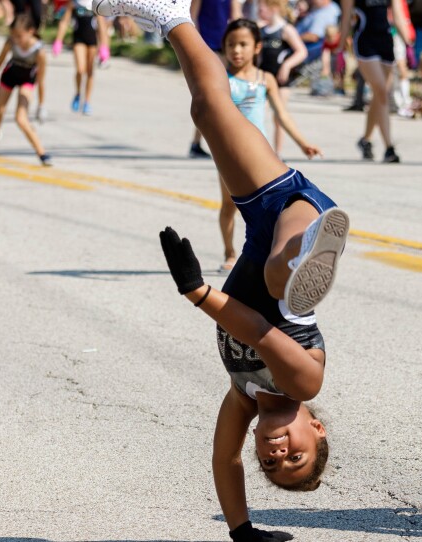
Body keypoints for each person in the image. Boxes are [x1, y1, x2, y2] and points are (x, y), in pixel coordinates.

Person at [92, 0, 349, 538]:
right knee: (281, 288)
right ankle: (306, 255)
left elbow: (223, 459)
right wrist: (196, 292)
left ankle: (169, 14)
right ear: (317, 429)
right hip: (298, 217)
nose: (278, 455)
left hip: (265, 211)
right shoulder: (304, 380)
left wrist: (242, 532)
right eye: (297, 458)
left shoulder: (243, 397)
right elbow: (254, 329)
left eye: (271, 466)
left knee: (208, 110)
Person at [218, 18, 322, 272]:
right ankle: (230, 253)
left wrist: (302, 143)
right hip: (229, 154)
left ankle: (268, 254)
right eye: (231, 44)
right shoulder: (221, 78)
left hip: (261, 153)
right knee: (230, 205)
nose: (236, 50)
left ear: (257, 47)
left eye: (243, 44)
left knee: (270, 207)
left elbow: (282, 115)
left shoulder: (266, 79)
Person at [338, 0, 411, 163]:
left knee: (380, 96)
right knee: (382, 92)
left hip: (385, 40)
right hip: (365, 40)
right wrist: (340, 45)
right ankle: (389, 148)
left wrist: (408, 43)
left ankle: (365, 140)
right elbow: (346, 18)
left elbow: (398, 15)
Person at [0, 14, 51, 165]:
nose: (16, 39)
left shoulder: (39, 51)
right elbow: (1, 58)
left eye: (20, 36)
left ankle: (41, 152)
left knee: (21, 118)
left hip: (27, 79)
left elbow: (41, 79)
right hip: (10, 75)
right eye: (14, 35)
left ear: (31, 31)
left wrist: (41, 105)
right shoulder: (11, 41)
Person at [188, 0, 242, 158]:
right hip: (208, 44)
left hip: (226, 45)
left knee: (227, 94)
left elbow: (236, 15)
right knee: (210, 95)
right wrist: (197, 46)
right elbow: (193, 17)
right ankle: (197, 142)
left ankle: (227, 140)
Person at [257, 0, 308, 153]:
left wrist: (286, 66)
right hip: (263, 78)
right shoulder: (262, 30)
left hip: (281, 80)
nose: (259, 11)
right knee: (257, 113)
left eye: (262, 8)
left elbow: (301, 51)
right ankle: (259, 151)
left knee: (279, 116)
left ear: (273, 8)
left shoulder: (286, 29)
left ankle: (277, 154)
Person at [53, 0, 100, 115]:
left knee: (90, 71)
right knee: (80, 69)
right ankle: (78, 93)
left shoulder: (96, 4)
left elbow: (102, 25)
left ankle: (87, 101)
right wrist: (59, 40)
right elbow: (64, 22)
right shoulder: (74, 3)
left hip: (92, 41)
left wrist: (104, 46)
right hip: (78, 39)